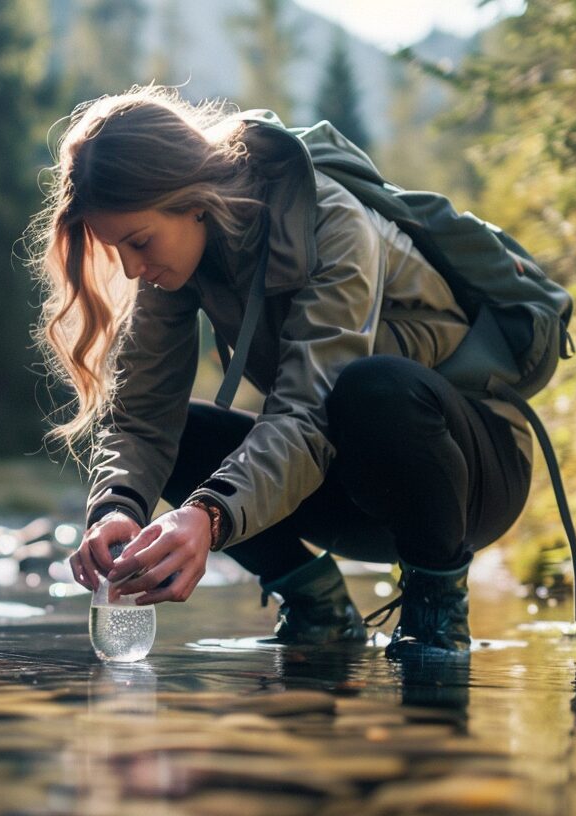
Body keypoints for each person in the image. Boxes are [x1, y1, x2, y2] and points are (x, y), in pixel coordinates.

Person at [30, 88, 533, 657]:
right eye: (116, 249)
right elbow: (143, 419)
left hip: (470, 479)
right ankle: (320, 609)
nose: (130, 267)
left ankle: (436, 614)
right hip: (340, 482)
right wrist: (115, 509)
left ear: (192, 197)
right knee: (184, 436)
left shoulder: (335, 224)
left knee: (375, 388)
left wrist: (208, 515)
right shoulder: (176, 263)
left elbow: (309, 411)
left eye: (138, 242)